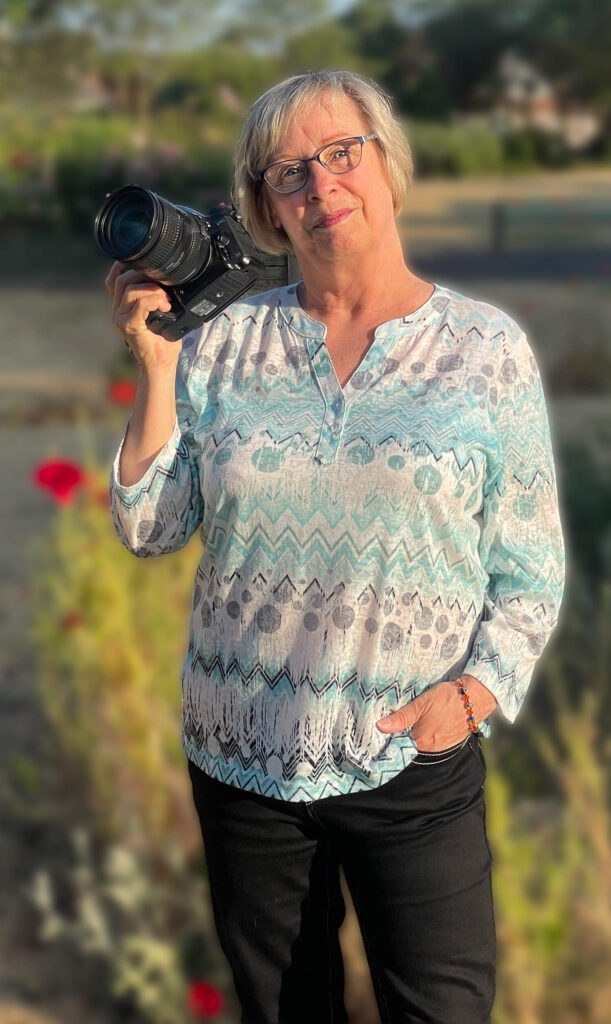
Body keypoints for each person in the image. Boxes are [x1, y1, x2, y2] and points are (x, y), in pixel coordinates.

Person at [107, 70, 566, 1024]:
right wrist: (157, 369)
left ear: (388, 164)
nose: (320, 186)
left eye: (341, 153)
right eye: (288, 173)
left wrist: (473, 695)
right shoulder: (226, 342)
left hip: (413, 758)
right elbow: (150, 526)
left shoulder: (483, 351)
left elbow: (528, 572)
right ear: (265, 208)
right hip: (242, 761)